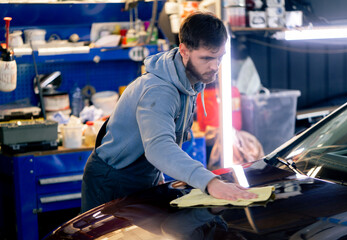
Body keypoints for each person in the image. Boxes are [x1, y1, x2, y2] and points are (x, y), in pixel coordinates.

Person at [81, 11, 257, 213]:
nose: (215, 66)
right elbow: (158, 147)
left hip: (142, 174)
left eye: (220, 57)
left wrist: (156, 174)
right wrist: (210, 182)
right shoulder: (159, 89)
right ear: (183, 50)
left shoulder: (188, 78)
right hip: (111, 179)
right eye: (207, 58)